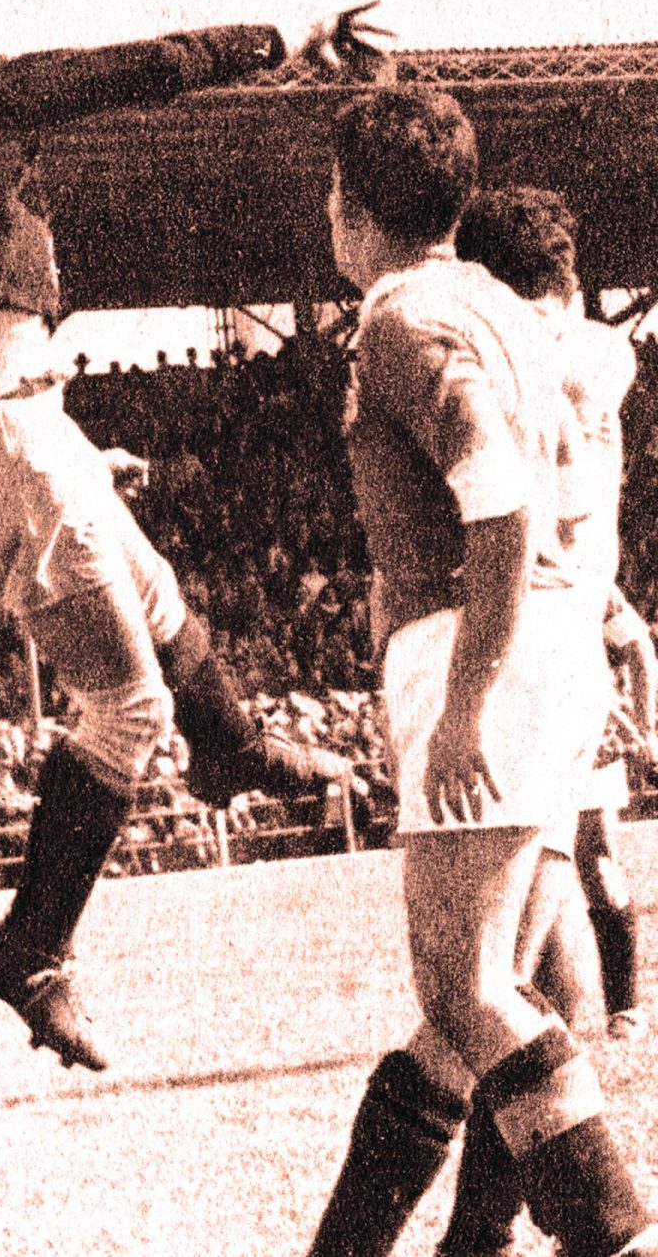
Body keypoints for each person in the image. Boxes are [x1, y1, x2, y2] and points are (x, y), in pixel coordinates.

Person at [0, 0, 379, 1070]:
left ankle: (236, 746)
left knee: (157, 596)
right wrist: (281, 38)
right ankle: (32, 945)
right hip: (9, 430)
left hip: (3, 422)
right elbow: (135, 65)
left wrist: (46, 437)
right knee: (128, 704)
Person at [306, 89, 654, 1257]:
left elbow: (497, 505)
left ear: (354, 208)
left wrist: (462, 703)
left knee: (468, 991)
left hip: (482, 647)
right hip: (553, 646)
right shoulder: (501, 305)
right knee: (470, 1006)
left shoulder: (401, 318)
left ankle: (621, 1233)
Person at [426, 184, 652, 1256]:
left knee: (488, 986)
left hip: (524, 656)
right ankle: (482, 1231)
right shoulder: (603, 355)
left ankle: (582, 1222)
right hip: (570, 664)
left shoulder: (517, 360)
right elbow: (598, 364)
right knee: (517, 969)